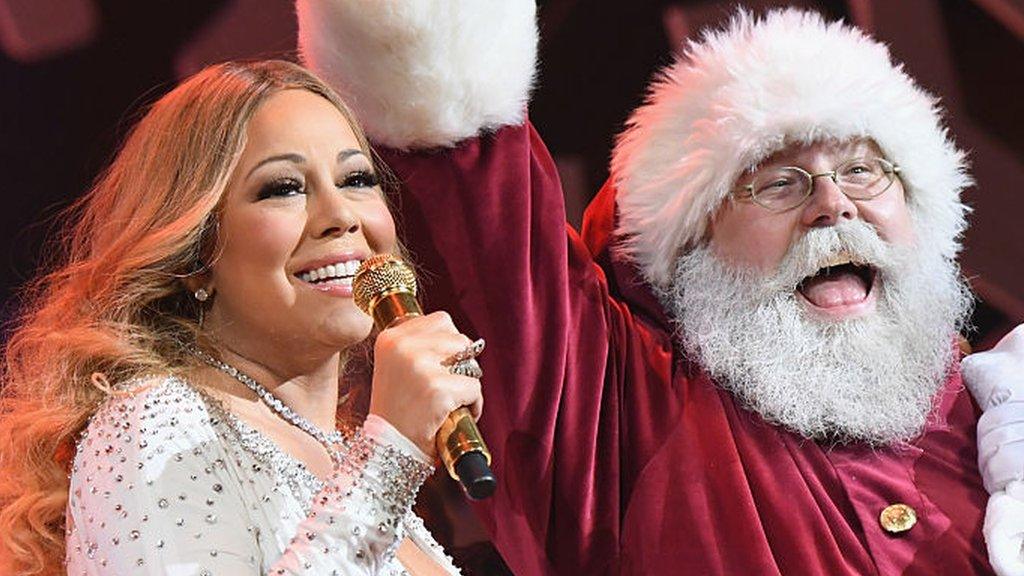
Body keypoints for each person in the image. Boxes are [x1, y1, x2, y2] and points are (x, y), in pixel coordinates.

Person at [298, 3, 1024, 575]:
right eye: (777, 181)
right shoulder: (622, 422)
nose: (833, 205)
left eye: (865, 170)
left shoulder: (1005, 410)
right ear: (691, 243)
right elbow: (469, 185)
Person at [0, 59, 484, 575]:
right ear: (195, 257)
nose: (341, 216)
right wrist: (392, 453)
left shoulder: (347, 455)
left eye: (356, 178)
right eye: (283, 188)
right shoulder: (159, 425)